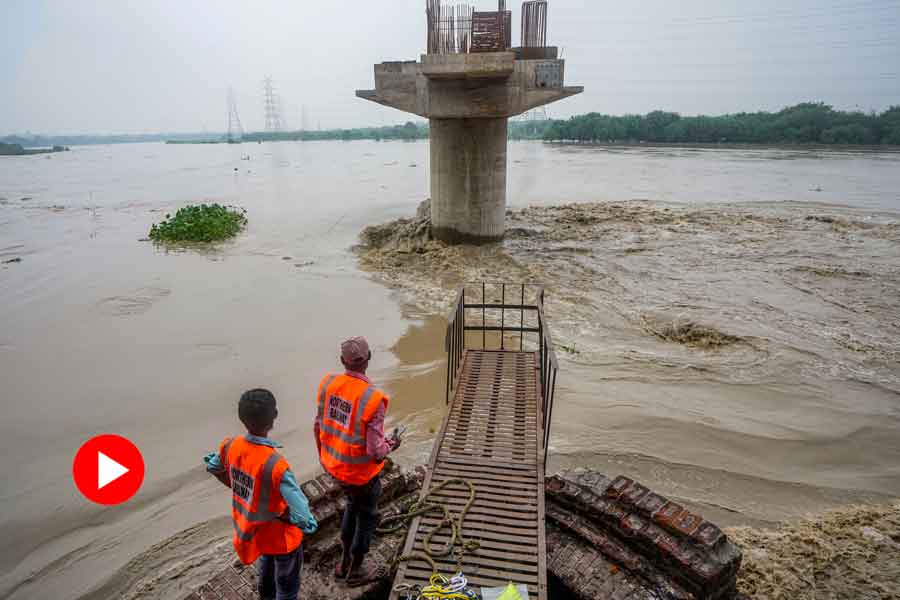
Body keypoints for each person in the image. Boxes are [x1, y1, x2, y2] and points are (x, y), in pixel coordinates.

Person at [204, 389, 318, 600]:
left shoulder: (230, 446)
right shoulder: (276, 465)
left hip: (253, 531)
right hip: (282, 539)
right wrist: (303, 521)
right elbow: (302, 517)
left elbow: (213, 467)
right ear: (274, 416)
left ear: (241, 417)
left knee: (266, 570)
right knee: (287, 588)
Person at [314, 336, 400, 586]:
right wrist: (392, 444)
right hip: (361, 475)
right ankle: (356, 571)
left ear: (343, 361)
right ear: (369, 358)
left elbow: (318, 425)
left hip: (334, 466)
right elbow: (376, 451)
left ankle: (343, 564)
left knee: (352, 508)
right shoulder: (373, 399)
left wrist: (323, 457)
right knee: (368, 517)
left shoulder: (328, 383)